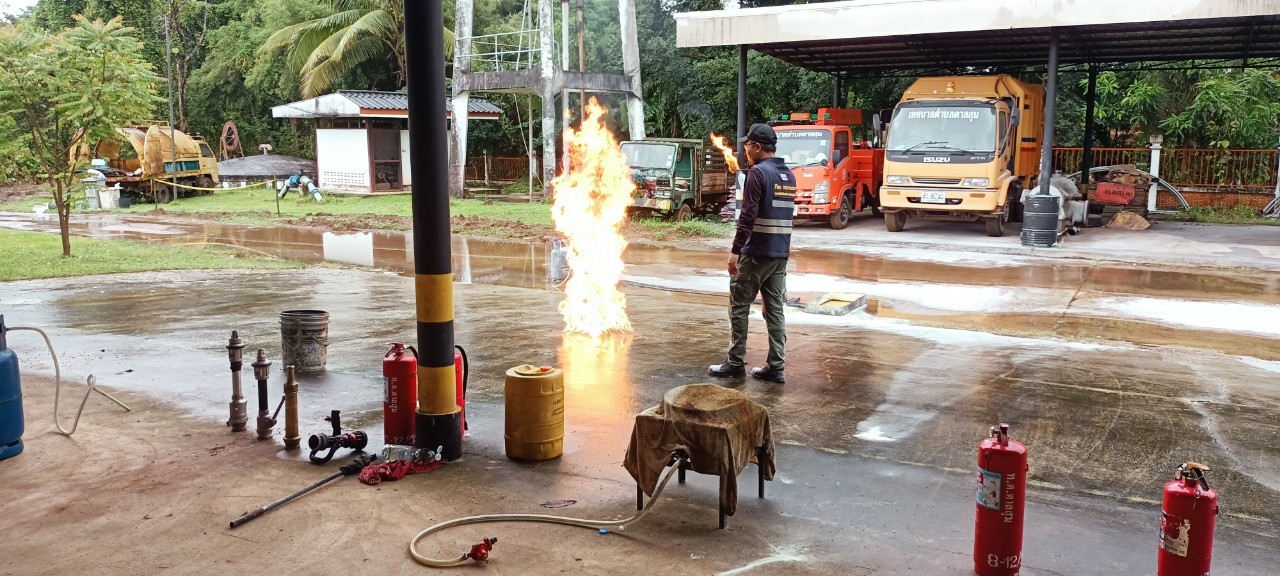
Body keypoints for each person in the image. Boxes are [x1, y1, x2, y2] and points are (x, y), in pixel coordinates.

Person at [708, 123, 796, 384]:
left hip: (756, 252)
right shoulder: (788, 175)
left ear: (757, 146)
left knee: (739, 306)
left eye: (747, 145)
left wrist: (735, 250)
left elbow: (748, 215)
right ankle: (776, 366)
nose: (744, 150)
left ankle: (735, 362)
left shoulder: (758, 173)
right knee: (775, 309)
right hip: (779, 253)